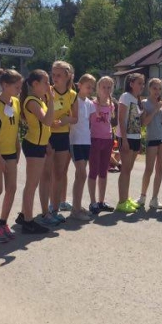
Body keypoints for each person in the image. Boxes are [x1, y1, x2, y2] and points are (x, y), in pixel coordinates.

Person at [0, 69, 23, 243]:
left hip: (11, 152)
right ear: (5, 85)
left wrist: (18, 146)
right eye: (17, 87)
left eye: (20, 87)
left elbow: (15, 128)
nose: (19, 90)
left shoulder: (16, 102)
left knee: (12, 188)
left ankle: (3, 223)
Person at [16, 70, 55, 234]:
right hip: (33, 145)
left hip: (39, 144)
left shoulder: (38, 100)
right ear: (35, 84)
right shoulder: (32, 101)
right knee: (31, 185)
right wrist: (52, 99)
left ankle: (24, 215)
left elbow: (45, 126)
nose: (49, 85)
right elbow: (47, 121)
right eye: (46, 82)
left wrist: (47, 143)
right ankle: (28, 222)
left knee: (32, 183)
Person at [44, 61, 77, 220]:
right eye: (53, 74)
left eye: (58, 75)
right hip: (48, 136)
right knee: (48, 174)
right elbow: (41, 115)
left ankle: (55, 207)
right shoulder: (47, 91)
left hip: (63, 136)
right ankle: (49, 206)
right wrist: (50, 122)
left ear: (67, 76)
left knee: (59, 173)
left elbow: (75, 118)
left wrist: (66, 120)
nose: (54, 78)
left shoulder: (72, 94)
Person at [139, 78, 162, 209]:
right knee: (149, 169)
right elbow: (144, 123)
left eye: (159, 89)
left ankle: (154, 199)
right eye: (154, 88)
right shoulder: (144, 103)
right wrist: (156, 109)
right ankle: (142, 197)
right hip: (152, 138)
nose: (157, 91)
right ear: (149, 89)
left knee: (160, 169)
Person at [116, 73, 145, 213]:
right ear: (131, 84)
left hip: (135, 137)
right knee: (125, 170)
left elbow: (138, 122)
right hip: (126, 137)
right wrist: (124, 139)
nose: (142, 86)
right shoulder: (125, 96)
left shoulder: (137, 99)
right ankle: (121, 202)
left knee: (128, 170)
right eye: (139, 83)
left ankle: (126, 198)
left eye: (143, 83)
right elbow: (121, 119)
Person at [69, 74, 97, 221]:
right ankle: (75, 209)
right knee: (82, 174)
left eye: (92, 88)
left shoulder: (90, 103)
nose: (90, 90)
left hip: (86, 141)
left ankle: (77, 206)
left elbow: (90, 123)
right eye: (87, 87)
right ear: (79, 85)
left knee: (80, 176)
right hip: (75, 141)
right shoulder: (73, 100)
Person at [89, 76, 116, 215]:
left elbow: (110, 122)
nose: (106, 90)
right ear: (98, 88)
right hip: (94, 139)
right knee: (93, 171)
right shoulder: (91, 104)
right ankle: (93, 202)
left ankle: (101, 201)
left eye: (109, 87)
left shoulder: (111, 105)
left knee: (104, 171)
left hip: (107, 140)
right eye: (103, 87)